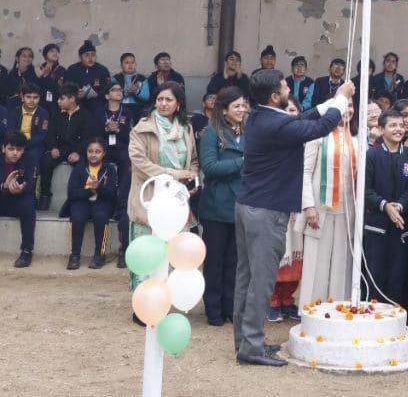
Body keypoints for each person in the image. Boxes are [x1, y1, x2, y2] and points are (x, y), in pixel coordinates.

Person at [232, 70, 353, 368]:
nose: (289, 89)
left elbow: (303, 118)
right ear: (275, 96)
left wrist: (329, 103)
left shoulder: (262, 115)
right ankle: (251, 347)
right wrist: (341, 99)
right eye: (285, 87)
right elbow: (319, 127)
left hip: (250, 206)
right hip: (266, 212)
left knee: (246, 278)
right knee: (260, 282)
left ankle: (246, 341)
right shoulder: (274, 123)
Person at [127, 84, 199, 299]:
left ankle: (166, 298)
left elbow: (193, 159)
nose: (163, 104)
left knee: (172, 250)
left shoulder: (186, 128)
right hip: (149, 198)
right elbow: (139, 161)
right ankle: (144, 301)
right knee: (147, 250)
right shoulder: (142, 127)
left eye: (169, 100)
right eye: (160, 99)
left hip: (176, 200)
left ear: (178, 104)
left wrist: (191, 178)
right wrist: (172, 174)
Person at [298, 96, 357, 309]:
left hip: (346, 210)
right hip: (319, 208)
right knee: (317, 263)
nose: (347, 110)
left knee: (342, 261)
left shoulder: (357, 140)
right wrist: (308, 206)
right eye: (343, 106)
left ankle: (338, 309)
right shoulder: (317, 137)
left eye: (350, 106)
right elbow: (304, 172)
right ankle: (311, 310)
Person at [199, 86, 247, 326]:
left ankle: (231, 307)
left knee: (235, 261)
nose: (242, 110)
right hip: (217, 206)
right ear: (224, 109)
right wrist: (242, 161)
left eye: (243, 105)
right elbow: (209, 167)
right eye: (236, 106)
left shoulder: (248, 132)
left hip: (242, 205)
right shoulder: (211, 133)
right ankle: (213, 309)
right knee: (215, 261)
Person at [363, 107, 408, 307]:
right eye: (392, 125)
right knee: (376, 272)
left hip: (402, 226)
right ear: (381, 129)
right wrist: (385, 205)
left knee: (399, 274)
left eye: (401, 125)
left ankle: (396, 318)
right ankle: (373, 317)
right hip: (376, 225)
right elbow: (365, 189)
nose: (398, 129)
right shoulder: (372, 154)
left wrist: (401, 205)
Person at [268, 97, 306, 322]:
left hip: (301, 202)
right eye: (286, 110)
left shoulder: (307, 137)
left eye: (294, 110)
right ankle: (272, 300)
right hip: (277, 201)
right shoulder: (273, 139)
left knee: (298, 253)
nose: (290, 114)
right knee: (279, 252)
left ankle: (287, 299)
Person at [60, 136, 118, 270]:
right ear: (86, 153)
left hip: (102, 202)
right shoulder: (79, 168)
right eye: (90, 151)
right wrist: (90, 191)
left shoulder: (109, 169)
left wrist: (99, 188)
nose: (93, 155)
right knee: (77, 217)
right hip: (82, 201)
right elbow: (72, 193)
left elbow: (112, 193)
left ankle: (99, 255)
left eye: (97, 151)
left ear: (103, 153)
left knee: (101, 217)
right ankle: (74, 255)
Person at [93, 81, 132, 264]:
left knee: (126, 162)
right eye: (114, 90)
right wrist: (105, 128)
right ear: (107, 95)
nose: (118, 92)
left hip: (122, 149)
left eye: (119, 90)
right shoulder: (99, 112)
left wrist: (119, 129)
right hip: (105, 150)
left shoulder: (128, 111)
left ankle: (124, 252)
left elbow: (132, 135)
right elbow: (93, 136)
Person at [39, 84, 93, 210]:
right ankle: (45, 195)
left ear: (72, 99)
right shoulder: (56, 113)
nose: (58, 101)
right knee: (45, 161)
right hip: (60, 148)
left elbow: (88, 137)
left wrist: (79, 152)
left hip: (77, 149)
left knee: (84, 166)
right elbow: (50, 133)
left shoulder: (85, 114)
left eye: (62, 98)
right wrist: (53, 147)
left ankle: (83, 199)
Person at [0, 132, 37, 267]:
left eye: (19, 150)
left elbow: (32, 183)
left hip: (19, 200)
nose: (15, 153)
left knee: (28, 206)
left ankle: (27, 251)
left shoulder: (29, 159)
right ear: (3, 148)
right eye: (11, 149)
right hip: (2, 197)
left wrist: (21, 187)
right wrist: (4, 185)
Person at [9, 82, 50, 170]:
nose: (32, 100)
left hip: (34, 145)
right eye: (28, 97)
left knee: (33, 156)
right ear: (22, 97)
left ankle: (32, 181)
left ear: (39, 98)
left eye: (35, 98)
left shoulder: (43, 113)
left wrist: (25, 145)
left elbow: (41, 135)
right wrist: (18, 144)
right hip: (15, 142)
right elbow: (11, 131)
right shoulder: (15, 111)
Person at [64, 41, 111, 111]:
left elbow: (108, 90)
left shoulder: (102, 70)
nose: (90, 58)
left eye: (93, 55)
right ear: (80, 57)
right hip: (76, 106)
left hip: (97, 107)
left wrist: (93, 94)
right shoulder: (72, 69)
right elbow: (66, 88)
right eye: (86, 55)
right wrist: (76, 93)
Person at [112, 52, 151, 124]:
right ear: (121, 65)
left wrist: (136, 91)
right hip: (121, 106)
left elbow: (146, 97)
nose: (130, 65)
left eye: (132, 62)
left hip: (138, 107)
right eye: (127, 63)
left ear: (135, 64)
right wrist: (126, 93)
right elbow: (112, 96)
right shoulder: (115, 78)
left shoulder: (142, 79)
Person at [35, 44, 65, 111]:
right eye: (52, 51)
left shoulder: (62, 70)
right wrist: (39, 77)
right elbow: (34, 88)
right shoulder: (39, 68)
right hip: (40, 104)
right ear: (45, 54)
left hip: (56, 104)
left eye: (57, 51)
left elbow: (62, 89)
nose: (55, 53)